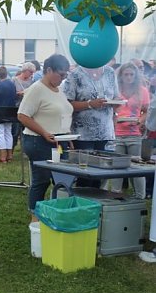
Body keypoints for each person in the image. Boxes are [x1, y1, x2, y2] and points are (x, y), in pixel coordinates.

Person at [17, 54, 74, 217]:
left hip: (58, 141)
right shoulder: (37, 89)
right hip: (38, 141)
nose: (63, 79)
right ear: (49, 70)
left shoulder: (58, 90)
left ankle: (57, 213)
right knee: (41, 180)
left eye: (65, 75)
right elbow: (22, 115)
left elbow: (61, 114)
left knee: (62, 180)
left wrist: (67, 137)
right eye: (61, 74)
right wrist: (43, 132)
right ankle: (35, 218)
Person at [108, 63, 150, 198]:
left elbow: (146, 111)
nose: (129, 77)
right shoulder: (116, 89)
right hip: (118, 134)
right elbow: (111, 108)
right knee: (117, 168)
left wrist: (140, 120)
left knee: (137, 167)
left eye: (131, 74)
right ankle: (115, 197)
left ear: (136, 75)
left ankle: (140, 197)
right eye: (126, 74)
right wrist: (115, 116)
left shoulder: (142, 90)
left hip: (135, 134)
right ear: (121, 75)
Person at [63, 62, 120, 156]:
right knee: (85, 166)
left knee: (105, 167)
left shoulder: (110, 72)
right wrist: (89, 104)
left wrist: (116, 103)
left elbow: (116, 96)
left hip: (106, 133)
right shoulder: (75, 74)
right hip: (83, 135)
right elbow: (67, 104)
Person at [0, 66, 17, 163]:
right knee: (8, 133)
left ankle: (2, 156)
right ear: (6, 73)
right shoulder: (12, 84)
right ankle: (10, 155)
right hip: (10, 112)